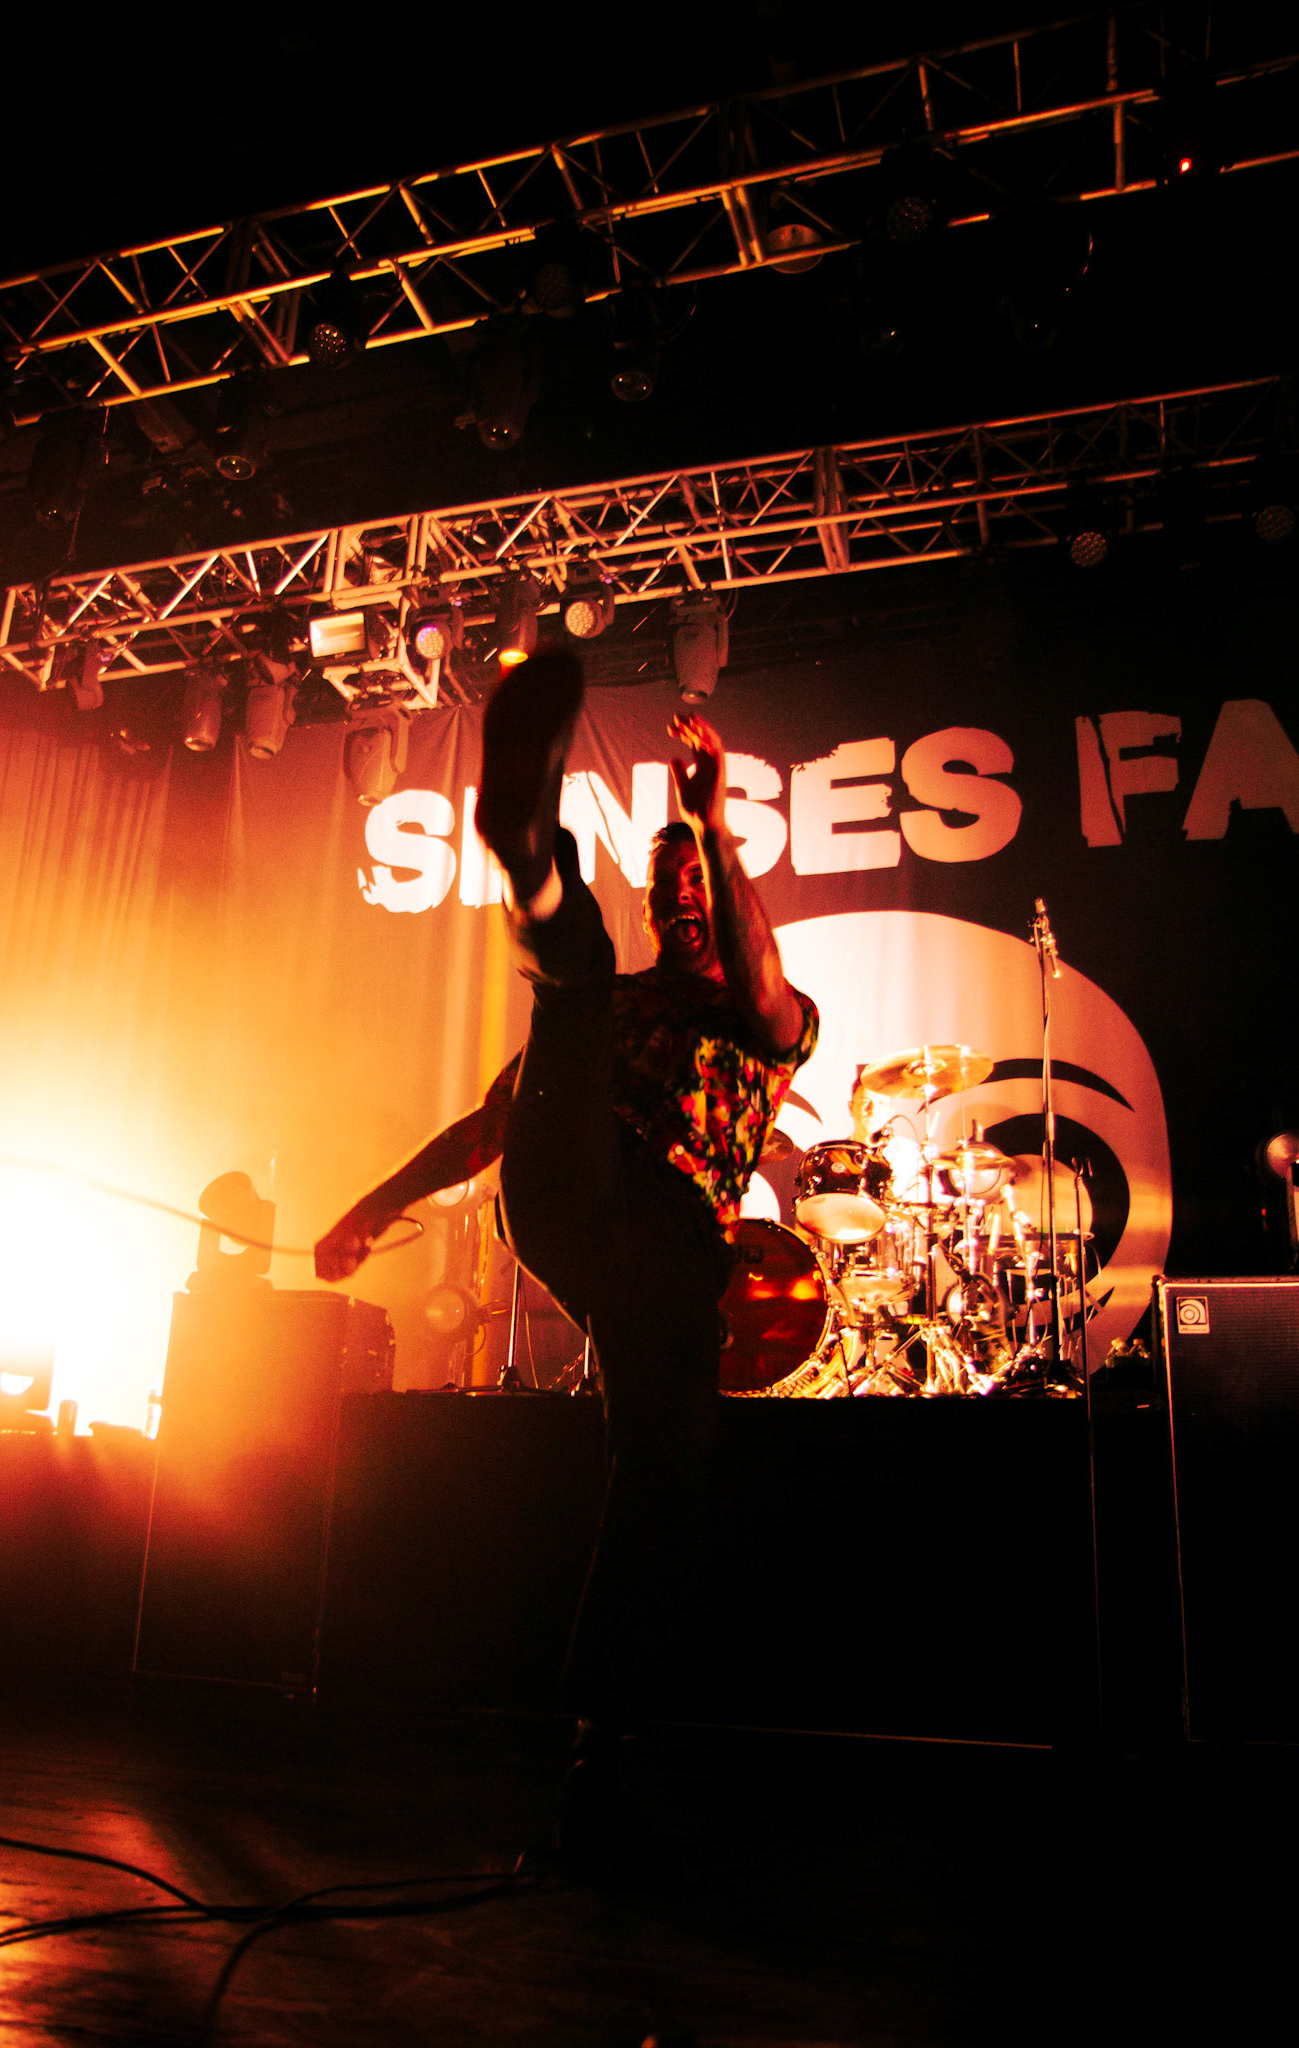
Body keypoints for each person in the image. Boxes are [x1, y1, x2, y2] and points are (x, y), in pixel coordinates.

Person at [316, 652, 818, 1879]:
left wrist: (709, 824)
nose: (682, 899)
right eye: (667, 885)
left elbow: (761, 983)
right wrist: (372, 1206)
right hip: (569, 1187)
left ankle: (597, 1771)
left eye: (698, 884)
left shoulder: (771, 1014)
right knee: (576, 986)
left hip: (669, 1250)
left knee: (659, 1484)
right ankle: (526, 854)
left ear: (726, 893)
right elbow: (490, 1127)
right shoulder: (619, 1002)